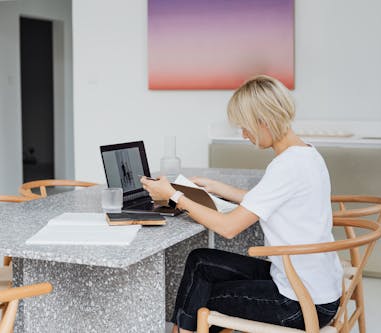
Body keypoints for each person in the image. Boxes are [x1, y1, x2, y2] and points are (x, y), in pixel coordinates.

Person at [140, 75, 343, 333]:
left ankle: (183, 331)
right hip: (313, 287)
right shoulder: (306, 154)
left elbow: (228, 227)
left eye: (245, 127)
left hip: (299, 304)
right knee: (201, 260)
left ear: (264, 121)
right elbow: (271, 200)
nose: (245, 135)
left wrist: (175, 196)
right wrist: (217, 187)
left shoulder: (286, 166)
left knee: (202, 299)